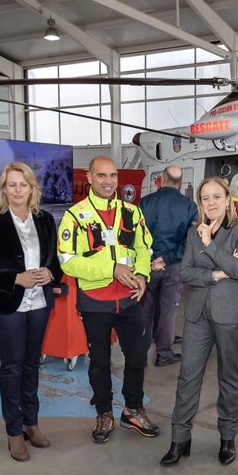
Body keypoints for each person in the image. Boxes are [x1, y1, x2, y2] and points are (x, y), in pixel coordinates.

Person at [58, 155, 160, 443]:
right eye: (101, 175)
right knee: (100, 361)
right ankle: (104, 412)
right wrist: (111, 268)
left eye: (113, 175)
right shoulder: (75, 216)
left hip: (129, 300)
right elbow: (68, 261)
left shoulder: (132, 212)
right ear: (89, 178)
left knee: (138, 356)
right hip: (95, 303)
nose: (108, 181)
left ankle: (133, 409)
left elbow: (144, 247)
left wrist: (141, 275)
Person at [160, 177, 238, 468]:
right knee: (187, 376)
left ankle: (227, 438)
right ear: (200, 203)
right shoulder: (193, 232)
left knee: (229, 377)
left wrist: (210, 245)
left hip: (231, 314)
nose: (211, 203)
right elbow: (185, 272)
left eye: (217, 197)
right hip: (198, 314)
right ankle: (179, 439)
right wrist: (216, 273)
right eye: (205, 198)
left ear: (228, 199)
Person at [0, 163, 63, 461]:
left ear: (32, 188)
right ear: (3, 189)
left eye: (22, 184)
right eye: (11, 185)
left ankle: (31, 423)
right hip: (7, 304)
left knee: (31, 365)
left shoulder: (46, 220)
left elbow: (57, 262)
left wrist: (51, 274)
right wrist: (15, 279)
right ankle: (13, 432)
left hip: (39, 304)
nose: (17, 190)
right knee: (12, 367)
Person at [138, 165, 197, 367]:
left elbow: (136, 237)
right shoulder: (189, 206)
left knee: (145, 308)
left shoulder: (144, 203)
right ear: (180, 184)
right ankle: (164, 353)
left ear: (161, 180)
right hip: (173, 266)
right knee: (168, 311)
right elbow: (191, 240)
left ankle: (140, 352)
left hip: (147, 266)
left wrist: (152, 259)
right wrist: (167, 259)